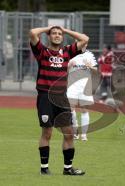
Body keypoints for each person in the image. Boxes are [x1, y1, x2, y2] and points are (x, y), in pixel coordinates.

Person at [29, 25, 89, 175]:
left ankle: (68, 169)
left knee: (68, 133)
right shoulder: (42, 51)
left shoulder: (67, 52)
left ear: (62, 37)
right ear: (49, 36)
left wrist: (65, 29)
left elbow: (85, 39)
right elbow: (32, 33)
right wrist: (49, 27)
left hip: (62, 98)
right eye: (54, 33)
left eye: (59, 34)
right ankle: (44, 168)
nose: (57, 35)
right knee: (47, 133)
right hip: (45, 97)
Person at [67, 45, 97, 141]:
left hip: (85, 86)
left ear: (86, 44)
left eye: (83, 43)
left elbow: (96, 71)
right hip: (72, 85)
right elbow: (64, 71)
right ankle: (75, 131)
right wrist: (68, 66)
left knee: (84, 110)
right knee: (71, 109)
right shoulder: (70, 54)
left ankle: (84, 134)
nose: (81, 44)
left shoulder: (89, 55)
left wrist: (90, 66)